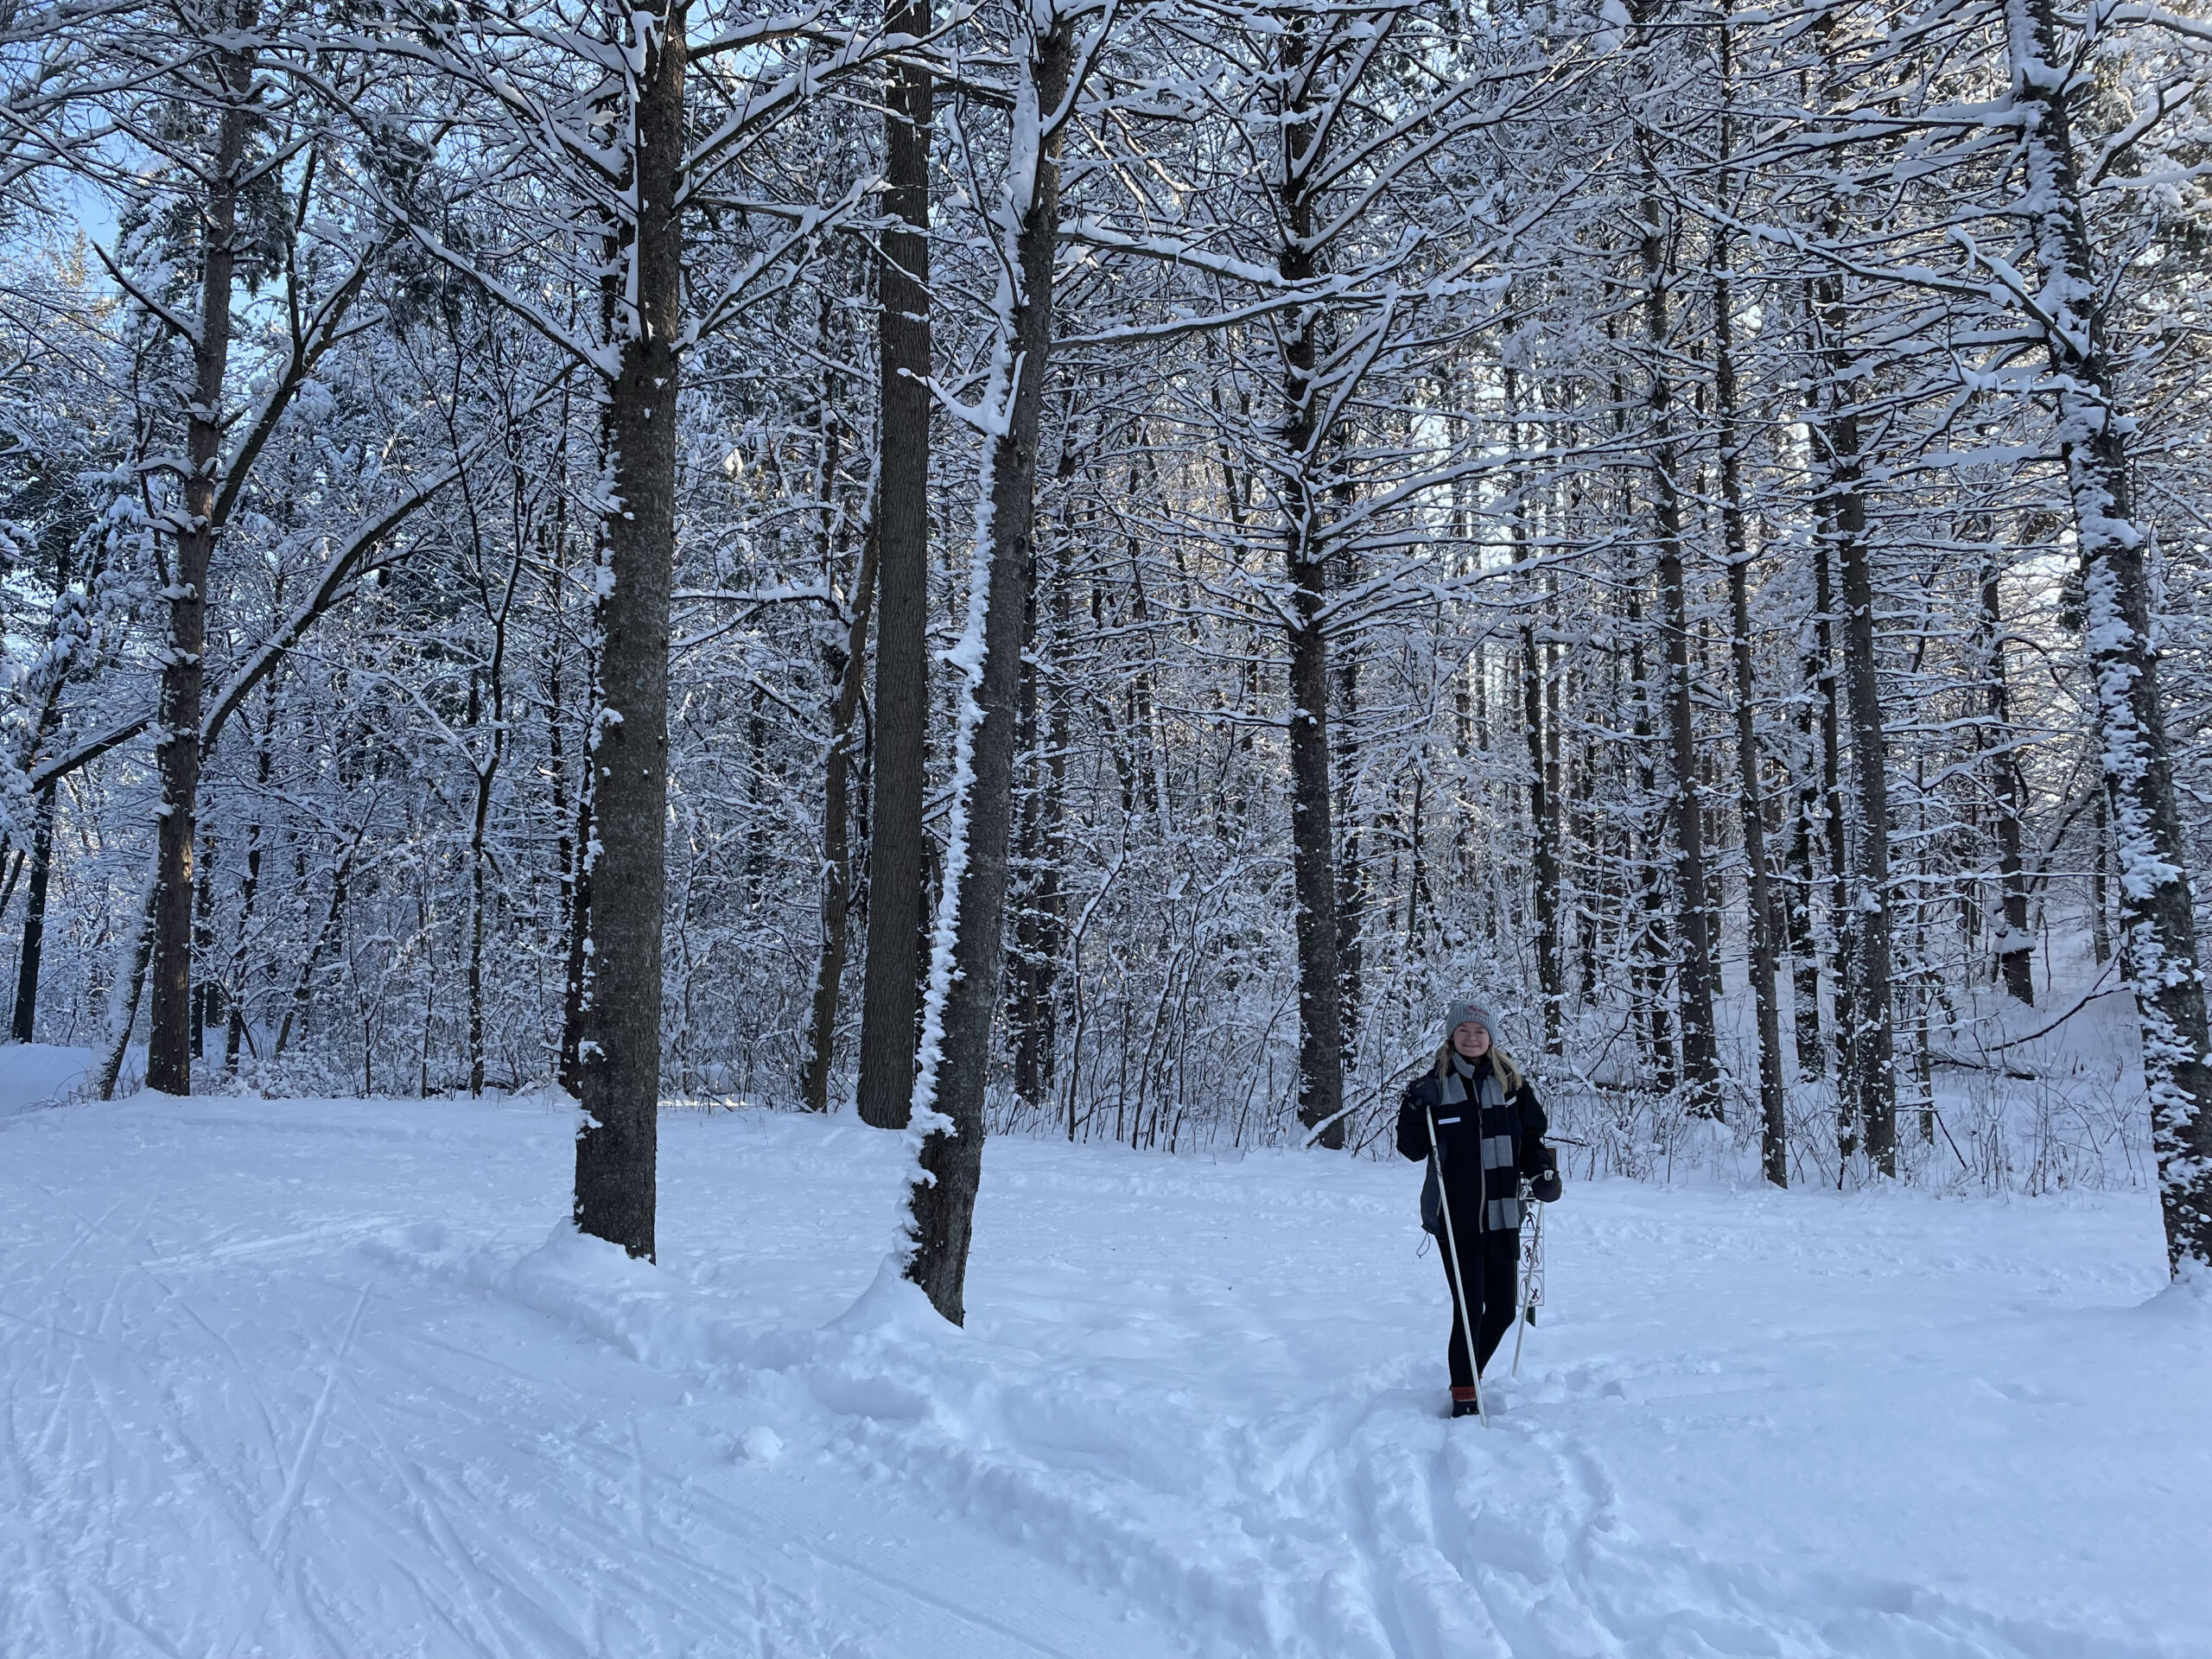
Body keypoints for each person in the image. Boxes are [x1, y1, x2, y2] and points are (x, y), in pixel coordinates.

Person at [1397, 1001, 1561, 1417]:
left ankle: (1468, 1377)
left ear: (1491, 1038)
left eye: (1480, 1031)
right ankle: (1464, 1399)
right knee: (1470, 1308)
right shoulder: (1433, 1085)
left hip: (1504, 1213)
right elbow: (1412, 1150)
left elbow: (1531, 1140)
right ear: (1451, 1036)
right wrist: (1416, 1108)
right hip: (1457, 1217)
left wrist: (1543, 1172)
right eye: (1463, 1030)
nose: (1472, 1038)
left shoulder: (1512, 1085)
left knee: (1504, 1310)